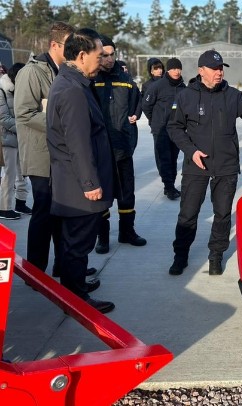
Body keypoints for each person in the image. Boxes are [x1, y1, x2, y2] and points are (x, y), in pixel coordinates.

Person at [166, 50, 242, 276]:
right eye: (214, 69)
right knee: (188, 214)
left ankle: (216, 255)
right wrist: (191, 151)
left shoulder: (232, 95)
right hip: (196, 165)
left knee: (222, 214)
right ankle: (180, 255)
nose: (219, 72)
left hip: (226, 165)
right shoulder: (186, 96)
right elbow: (174, 128)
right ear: (201, 70)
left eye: (221, 68)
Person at [46, 28, 115, 314]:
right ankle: (76, 302)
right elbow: (78, 143)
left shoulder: (70, 83)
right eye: (99, 56)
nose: (102, 61)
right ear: (83, 55)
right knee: (77, 246)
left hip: (71, 184)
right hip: (78, 188)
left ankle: (74, 290)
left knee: (73, 244)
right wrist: (90, 183)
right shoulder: (73, 90)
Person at [14, 21, 77, 277]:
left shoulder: (67, 71)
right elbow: (24, 113)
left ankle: (65, 266)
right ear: (54, 44)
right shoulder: (32, 72)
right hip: (41, 156)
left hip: (62, 154)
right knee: (44, 212)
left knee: (62, 213)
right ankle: (36, 273)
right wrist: (63, 123)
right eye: (70, 45)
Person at [93, 35, 146, 254]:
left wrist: (134, 119)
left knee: (127, 194)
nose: (108, 59)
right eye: (104, 55)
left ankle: (127, 232)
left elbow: (137, 104)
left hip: (123, 148)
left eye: (111, 55)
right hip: (101, 151)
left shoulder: (126, 80)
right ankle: (103, 237)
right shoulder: (91, 80)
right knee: (102, 196)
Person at [142, 57, 185, 200]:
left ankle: (170, 185)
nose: (176, 71)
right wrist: (154, 121)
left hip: (176, 129)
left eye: (178, 68)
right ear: (168, 70)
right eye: (173, 68)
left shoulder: (183, 88)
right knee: (164, 158)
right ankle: (169, 187)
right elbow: (146, 105)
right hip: (161, 129)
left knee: (173, 158)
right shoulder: (158, 86)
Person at [0, 62, 31, 220]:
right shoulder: (2, 90)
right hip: (7, 139)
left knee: (22, 174)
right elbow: (3, 118)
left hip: (21, 138)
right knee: (9, 174)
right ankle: (4, 208)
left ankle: (21, 202)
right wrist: (24, 126)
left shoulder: (21, 89)